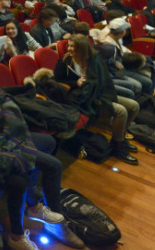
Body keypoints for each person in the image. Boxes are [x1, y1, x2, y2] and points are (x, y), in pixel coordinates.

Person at [0, 52, 83, 250]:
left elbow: (2, 98)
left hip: (4, 133)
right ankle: (44, 213)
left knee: (48, 142)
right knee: (52, 166)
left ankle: (33, 204)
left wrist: (8, 110)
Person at [54, 36, 139, 165]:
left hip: (99, 94)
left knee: (134, 106)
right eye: (69, 46)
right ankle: (118, 146)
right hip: (84, 99)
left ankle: (119, 138)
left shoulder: (93, 60)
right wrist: (75, 82)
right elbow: (57, 81)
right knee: (121, 111)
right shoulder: (65, 62)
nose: (70, 49)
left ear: (83, 48)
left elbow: (104, 81)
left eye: (73, 46)